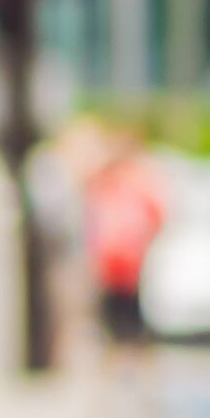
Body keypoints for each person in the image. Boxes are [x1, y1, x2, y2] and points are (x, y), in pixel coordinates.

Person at [78, 122, 166, 383]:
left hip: (132, 266)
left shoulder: (141, 181)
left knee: (134, 327)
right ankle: (111, 382)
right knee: (107, 328)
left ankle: (141, 381)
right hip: (107, 267)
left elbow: (156, 216)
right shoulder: (103, 181)